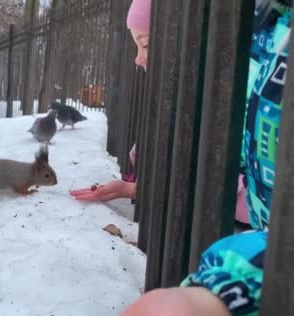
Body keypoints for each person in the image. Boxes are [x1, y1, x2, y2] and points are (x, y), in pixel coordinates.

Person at [51, 0, 292, 316]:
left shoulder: (248, 66)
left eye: (146, 44)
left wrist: (221, 301)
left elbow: (226, 173)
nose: (138, 58)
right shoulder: (267, 30)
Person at [68, 0, 251, 228]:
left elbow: (200, 172)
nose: (137, 58)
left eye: (144, 46)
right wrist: (134, 188)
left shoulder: (229, 87)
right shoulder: (189, 85)